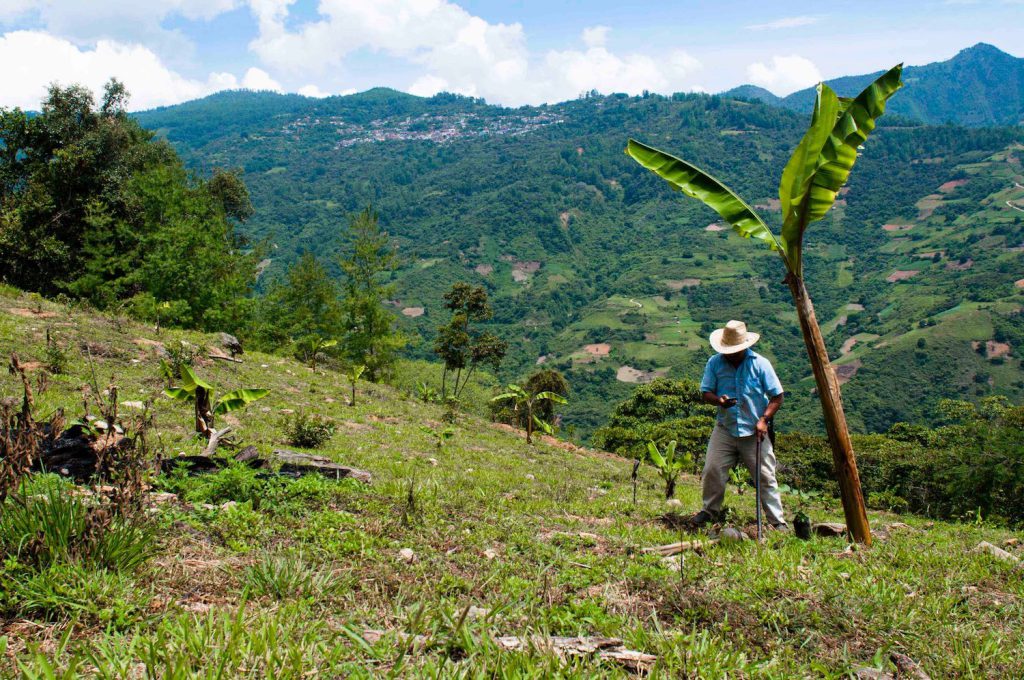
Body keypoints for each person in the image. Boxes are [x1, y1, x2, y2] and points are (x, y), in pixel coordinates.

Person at [692, 320, 786, 529]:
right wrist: (719, 401)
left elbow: (777, 397)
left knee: (765, 476)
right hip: (725, 428)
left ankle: (777, 520)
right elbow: (705, 392)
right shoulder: (714, 363)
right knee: (713, 470)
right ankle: (710, 511)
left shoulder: (760, 364)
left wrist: (763, 420)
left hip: (754, 431)